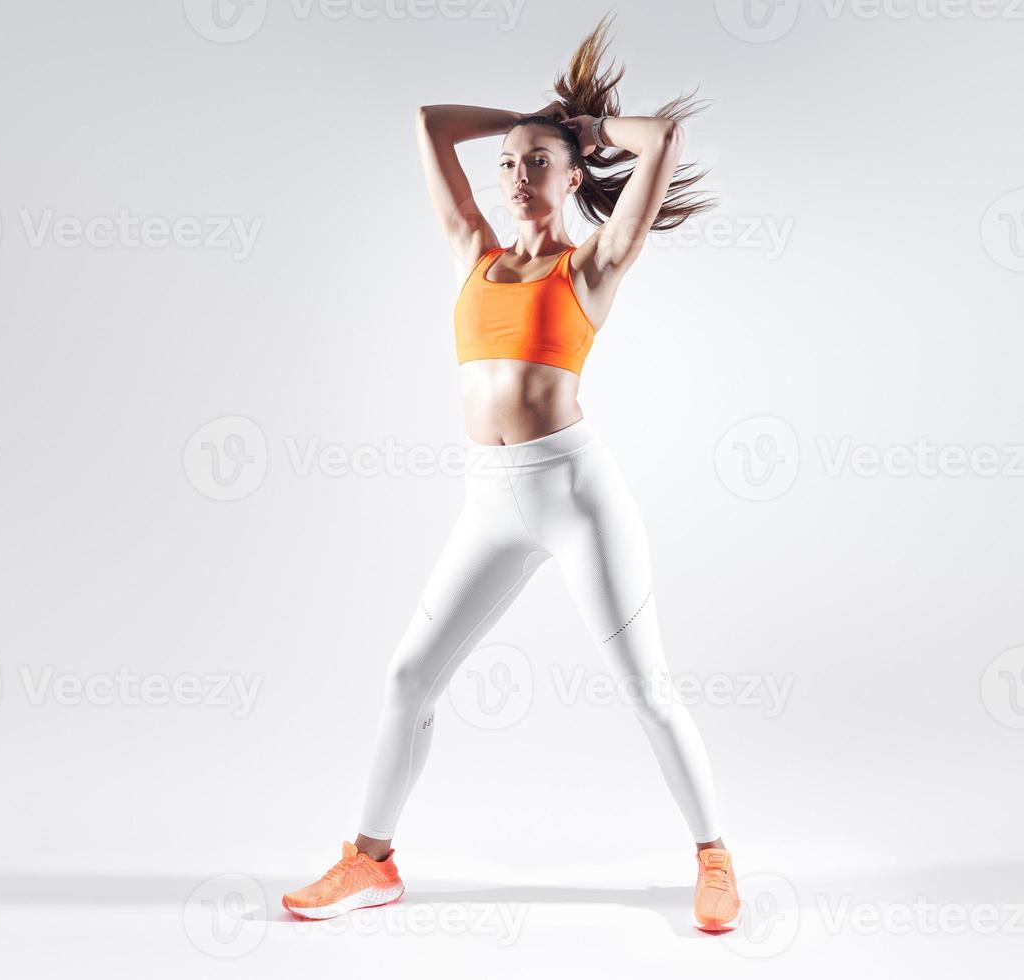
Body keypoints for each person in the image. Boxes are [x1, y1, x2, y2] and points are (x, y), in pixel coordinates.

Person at [282, 16, 741, 932]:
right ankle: (369, 861)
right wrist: (530, 122)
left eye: (539, 164)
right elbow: (427, 121)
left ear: (574, 179)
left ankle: (715, 857)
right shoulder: (475, 257)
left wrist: (580, 130)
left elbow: (665, 139)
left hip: (575, 495)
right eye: (509, 164)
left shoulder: (593, 268)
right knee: (409, 676)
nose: (517, 176)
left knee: (647, 688)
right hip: (487, 504)